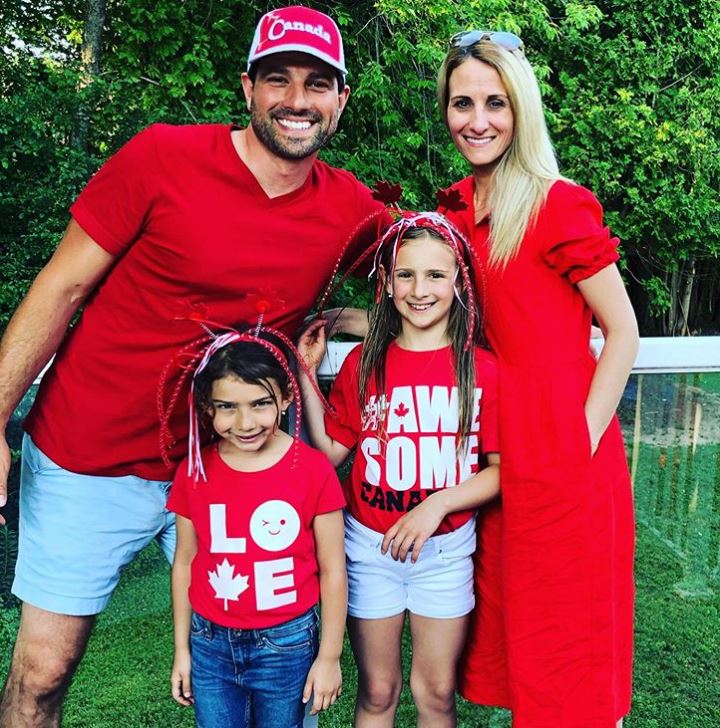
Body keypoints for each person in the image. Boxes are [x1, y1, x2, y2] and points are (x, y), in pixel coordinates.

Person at [0, 6, 381, 726]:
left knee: (273, 668)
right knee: (43, 674)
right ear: (248, 88)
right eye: (278, 79)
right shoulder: (161, 158)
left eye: (317, 83)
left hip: (234, 463)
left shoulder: (350, 211)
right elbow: (62, 286)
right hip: (93, 453)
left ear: (340, 100)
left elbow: (428, 291)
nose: (297, 100)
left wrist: (340, 323)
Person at [437, 30, 639, 728]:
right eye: (463, 103)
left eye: (496, 102)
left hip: (563, 451)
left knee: (572, 653)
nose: (478, 119)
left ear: (520, 110)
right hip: (497, 450)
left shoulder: (557, 203)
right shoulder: (459, 209)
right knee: (522, 645)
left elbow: (624, 333)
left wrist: (575, 444)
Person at [298, 212, 502, 728]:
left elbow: (501, 471)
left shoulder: (482, 369)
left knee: (434, 692)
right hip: (370, 551)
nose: (420, 289)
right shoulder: (364, 362)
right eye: (406, 275)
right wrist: (304, 371)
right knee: (378, 691)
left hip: (445, 554)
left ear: (458, 282)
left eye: (436, 275)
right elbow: (332, 449)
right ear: (387, 284)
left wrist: (438, 504)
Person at [167, 326, 346, 727]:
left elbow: (333, 569)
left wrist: (330, 656)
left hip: (287, 643)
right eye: (227, 406)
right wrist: (183, 649)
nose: (245, 422)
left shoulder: (313, 469)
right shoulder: (194, 471)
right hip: (210, 643)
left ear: (285, 398)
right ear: (207, 407)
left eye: (260, 403)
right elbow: (184, 563)